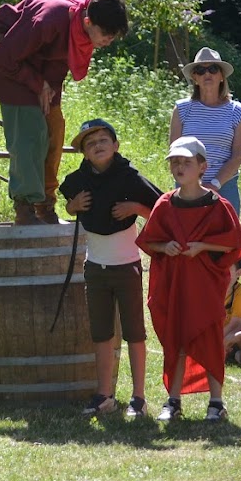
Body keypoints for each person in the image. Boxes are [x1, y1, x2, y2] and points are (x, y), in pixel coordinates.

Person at [0, 0, 129, 225]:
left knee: (54, 130)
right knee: (31, 133)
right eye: (106, 34)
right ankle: (25, 208)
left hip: (38, 71)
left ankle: (45, 206)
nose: (108, 40)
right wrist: (37, 84)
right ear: (88, 22)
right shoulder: (50, 19)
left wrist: (47, 89)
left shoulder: (86, 16)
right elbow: (5, 56)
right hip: (6, 62)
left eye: (113, 35)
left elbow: (56, 62)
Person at [136, 136, 241, 422]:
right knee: (176, 339)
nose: (179, 167)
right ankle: (173, 401)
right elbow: (150, 241)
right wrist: (165, 246)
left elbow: (233, 243)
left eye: (186, 162)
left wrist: (202, 246)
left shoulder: (218, 205)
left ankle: (216, 403)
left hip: (205, 285)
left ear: (202, 167)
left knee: (208, 337)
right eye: (175, 162)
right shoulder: (165, 203)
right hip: (174, 284)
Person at [57, 118, 162, 419]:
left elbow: (161, 209)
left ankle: (138, 398)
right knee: (101, 333)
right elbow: (68, 204)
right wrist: (72, 207)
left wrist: (136, 208)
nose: (98, 146)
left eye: (103, 140)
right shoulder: (78, 181)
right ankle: (104, 395)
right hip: (95, 268)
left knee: (135, 333)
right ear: (84, 153)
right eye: (90, 143)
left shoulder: (131, 179)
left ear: (115, 146)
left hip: (127, 266)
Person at [169, 48, 241, 215]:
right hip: (187, 187)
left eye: (213, 69)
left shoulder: (237, 112)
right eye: (200, 70)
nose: (207, 74)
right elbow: (174, 152)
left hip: (224, 187)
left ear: (222, 76)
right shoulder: (182, 109)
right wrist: (191, 184)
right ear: (195, 78)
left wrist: (214, 185)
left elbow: (237, 156)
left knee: (225, 232)